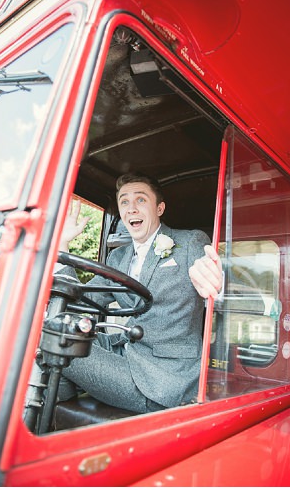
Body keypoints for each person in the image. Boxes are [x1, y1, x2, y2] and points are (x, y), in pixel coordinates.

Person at [56, 173, 223, 413]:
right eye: (124, 201)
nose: (131, 208)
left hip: (166, 377)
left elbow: (212, 274)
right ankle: (57, 415)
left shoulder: (189, 242)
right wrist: (62, 245)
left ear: (160, 208)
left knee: (56, 341)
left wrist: (213, 278)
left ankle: (53, 414)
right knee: (56, 332)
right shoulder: (118, 257)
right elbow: (85, 301)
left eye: (141, 200)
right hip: (125, 352)